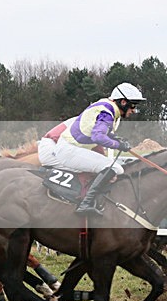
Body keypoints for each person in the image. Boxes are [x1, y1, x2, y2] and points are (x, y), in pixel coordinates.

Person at [40, 82, 145, 216]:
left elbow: (100, 131)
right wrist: (118, 145)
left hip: (68, 148)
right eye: (133, 106)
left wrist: (117, 139)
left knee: (109, 167)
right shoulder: (108, 112)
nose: (133, 111)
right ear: (123, 102)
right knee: (115, 168)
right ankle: (85, 204)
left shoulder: (106, 107)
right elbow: (98, 137)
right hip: (68, 150)